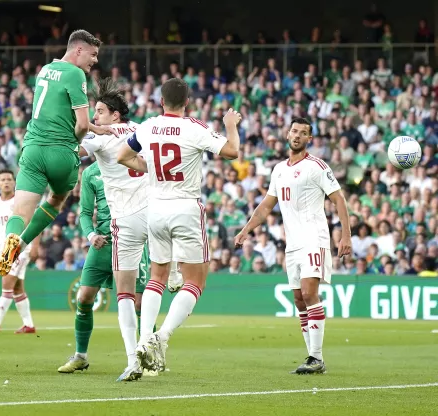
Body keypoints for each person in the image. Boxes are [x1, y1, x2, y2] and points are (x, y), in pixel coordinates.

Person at [117, 78, 241, 372]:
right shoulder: (193, 127)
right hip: (185, 206)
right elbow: (232, 152)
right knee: (195, 281)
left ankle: (144, 338)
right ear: (187, 102)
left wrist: (151, 171)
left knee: (157, 277)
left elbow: (123, 156)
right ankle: (161, 337)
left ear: (161, 101)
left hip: (156, 207)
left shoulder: (146, 127)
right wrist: (231, 124)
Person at [77, 78, 182, 380]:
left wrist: (80, 130)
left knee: (125, 294)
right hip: (154, 211)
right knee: (152, 284)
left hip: (125, 220)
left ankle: (132, 361)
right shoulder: (143, 129)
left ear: (114, 115)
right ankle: (173, 266)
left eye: (99, 111)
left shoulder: (102, 136)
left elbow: (78, 146)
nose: (95, 116)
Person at [234, 117, 352, 375]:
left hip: (314, 237)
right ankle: (312, 358)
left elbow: (339, 199)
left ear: (310, 139)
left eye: (303, 133)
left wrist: (346, 235)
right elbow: (266, 206)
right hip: (293, 244)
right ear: (287, 134)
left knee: (310, 293)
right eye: (294, 131)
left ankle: (316, 357)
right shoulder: (278, 170)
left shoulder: (317, 167)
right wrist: (246, 230)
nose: (297, 135)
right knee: (299, 300)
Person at [0, 29, 116, 276]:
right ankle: (21, 244)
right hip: (60, 153)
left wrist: (96, 127)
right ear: (79, 50)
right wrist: (79, 138)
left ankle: (11, 239)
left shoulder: (45, 70)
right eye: (93, 55)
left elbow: (60, 113)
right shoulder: (75, 74)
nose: (95, 61)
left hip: (32, 150)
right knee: (56, 199)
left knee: (20, 211)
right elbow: (81, 125)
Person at [56, 162, 153, 379]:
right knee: (84, 297)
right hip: (103, 242)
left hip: (131, 240)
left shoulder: (134, 162)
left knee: (139, 302)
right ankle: (80, 356)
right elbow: (85, 213)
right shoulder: (91, 172)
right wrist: (91, 235)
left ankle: (149, 357)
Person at [0, 169, 36, 334]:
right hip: (4, 249)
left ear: (14, 182)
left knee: (7, 282)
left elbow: (35, 223)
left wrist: (36, 246)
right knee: (17, 287)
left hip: (21, 248)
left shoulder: (19, 202)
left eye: (9, 179)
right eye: (3, 179)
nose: (6, 182)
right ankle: (29, 325)